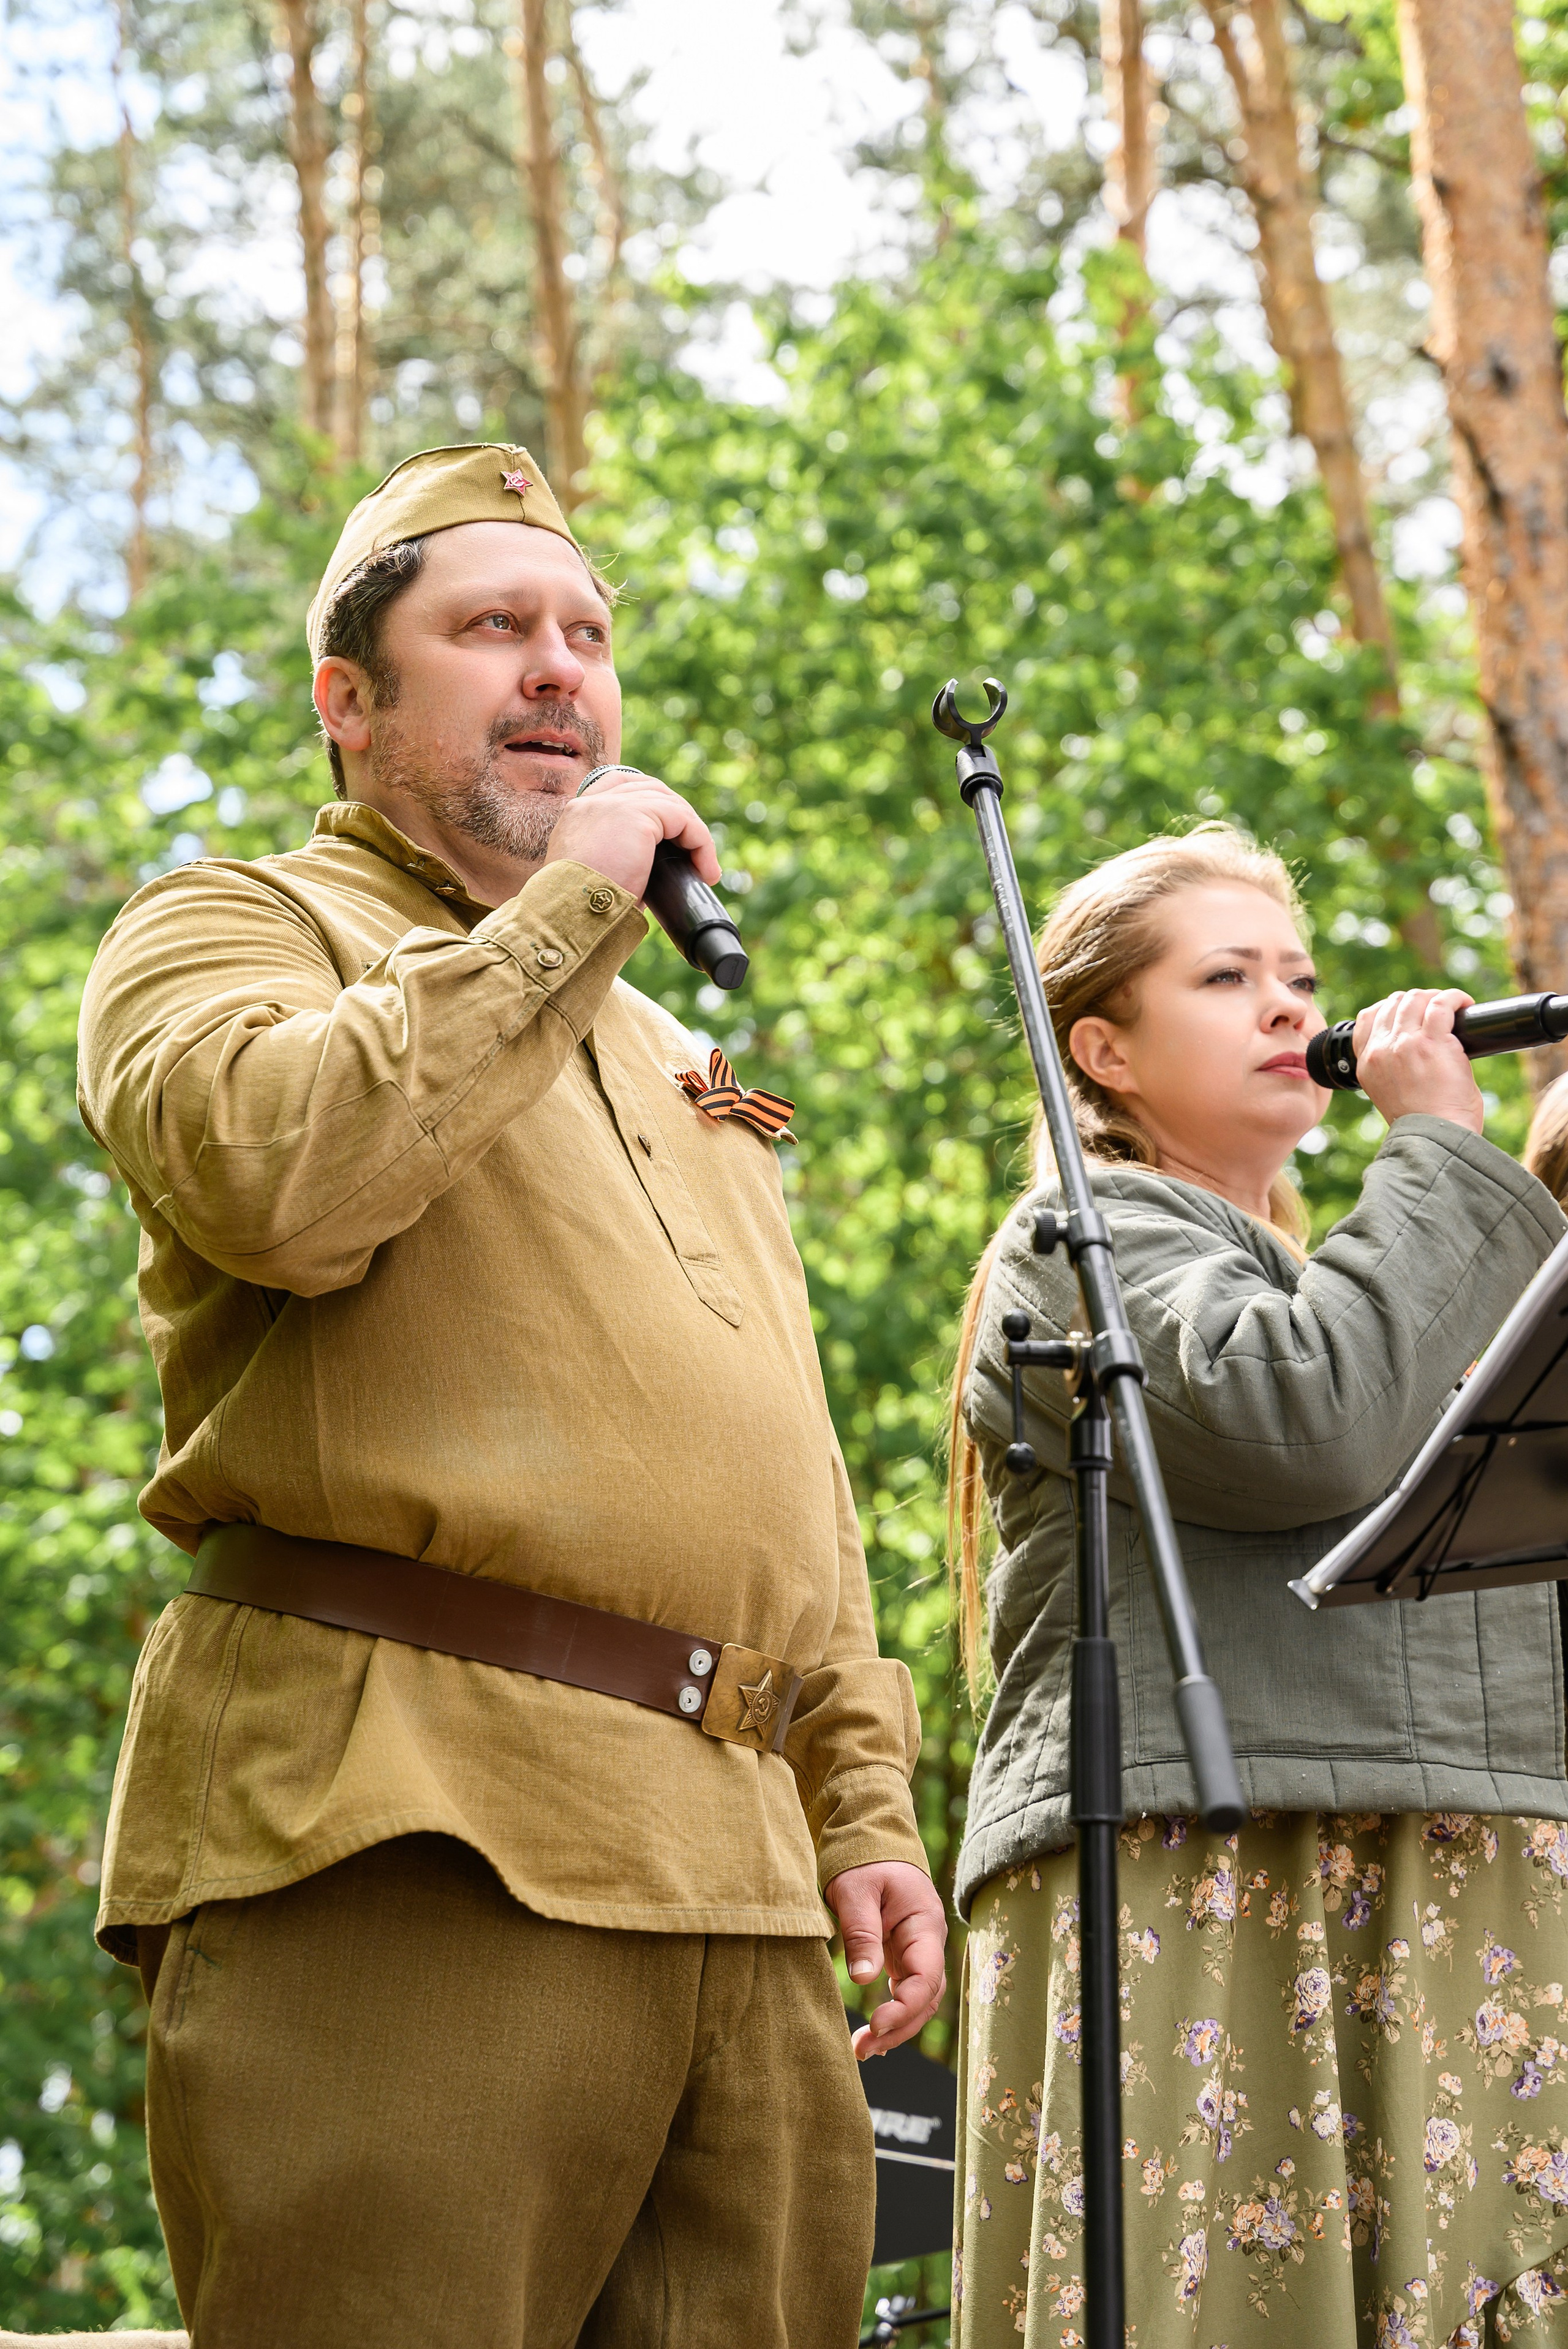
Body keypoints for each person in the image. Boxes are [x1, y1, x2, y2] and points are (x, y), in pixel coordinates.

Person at [77, 442, 947, 2349]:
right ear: (350, 699)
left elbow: (789, 1468)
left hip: (739, 1872)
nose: (561, 666)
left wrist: (863, 1802)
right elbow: (278, 1182)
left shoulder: (673, 1044)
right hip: (413, 1823)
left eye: (587, 634)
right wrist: (567, 916)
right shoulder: (230, 925)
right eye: (493, 628)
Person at [946, 825, 1568, 2349]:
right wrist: (1437, 1148)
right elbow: (1306, 1420)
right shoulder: (1075, 1242)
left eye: (1297, 976)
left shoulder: (1339, 1269)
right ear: (1099, 1047)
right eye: (1226, 978)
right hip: (1211, 1858)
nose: (1291, 1007)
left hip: (1435, 1841)